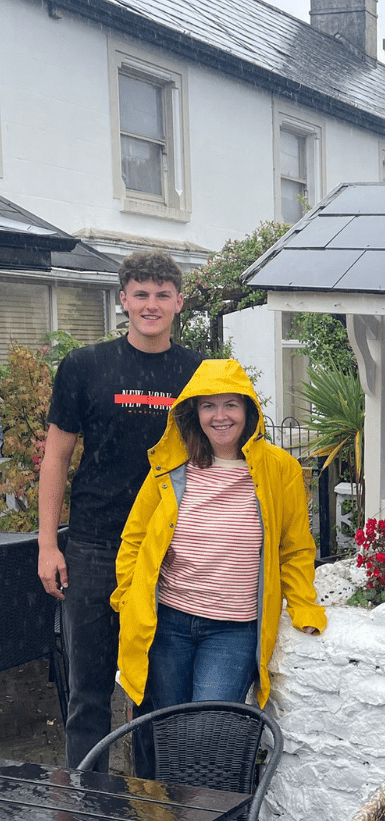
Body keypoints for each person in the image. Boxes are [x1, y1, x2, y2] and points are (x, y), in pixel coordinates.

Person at [38, 250, 202, 771]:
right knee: (89, 689)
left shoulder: (198, 373)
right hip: (94, 545)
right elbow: (55, 458)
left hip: (170, 550)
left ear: (179, 302)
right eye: (140, 294)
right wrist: (47, 546)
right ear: (124, 300)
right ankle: (88, 816)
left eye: (161, 295)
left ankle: (150, 819)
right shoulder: (84, 367)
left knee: (155, 693)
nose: (150, 305)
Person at [111, 358, 326, 713]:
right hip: (168, 623)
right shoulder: (171, 467)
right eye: (209, 405)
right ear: (194, 412)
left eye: (231, 404)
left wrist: (304, 606)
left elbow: (295, 548)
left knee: (208, 731)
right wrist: (126, 597)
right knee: (169, 728)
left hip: (233, 630)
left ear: (248, 410)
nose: (220, 416)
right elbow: (134, 538)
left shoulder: (279, 469)